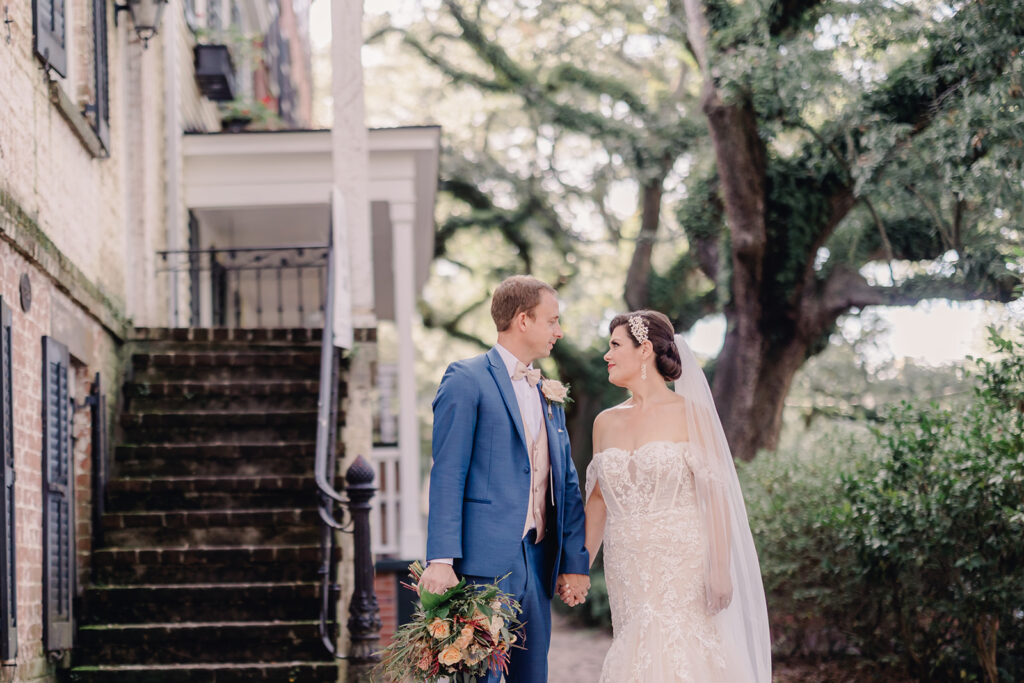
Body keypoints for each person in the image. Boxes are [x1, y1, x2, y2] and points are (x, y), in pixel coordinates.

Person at [581, 310, 772, 682]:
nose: (607, 355)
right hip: (627, 566)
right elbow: (599, 501)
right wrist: (578, 568)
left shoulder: (692, 415)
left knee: (682, 650)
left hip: (681, 562)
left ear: (645, 350)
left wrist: (719, 568)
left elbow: (716, 497)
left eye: (615, 345)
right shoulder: (604, 422)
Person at [419, 275, 591, 682]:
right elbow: (448, 472)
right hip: (483, 565)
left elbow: (565, 483)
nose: (559, 331)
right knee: (482, 678)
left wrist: (574, 562)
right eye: (552, 320)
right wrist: (441, 560)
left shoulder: (549, 393)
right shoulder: (466, 379)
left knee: (532, 676)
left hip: (538, 558)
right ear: (523, 320)